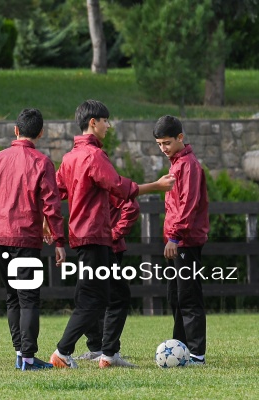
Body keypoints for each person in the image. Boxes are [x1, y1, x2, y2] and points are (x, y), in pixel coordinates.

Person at [50, 99, 175, 369]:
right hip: (95, 238)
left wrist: (45, 223)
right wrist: (156, 185)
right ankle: (62, 353)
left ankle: (107, 355)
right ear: (93, 122)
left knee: (111, 295)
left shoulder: (70, 157)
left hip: (88, 239)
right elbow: (118, 186)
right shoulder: (93, 156)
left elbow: (55, 192)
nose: (109, 125)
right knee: (95, 300)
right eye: (106, 120)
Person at [0, 108, 67, 371]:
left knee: (12, 297)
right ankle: (27, 358)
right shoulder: (42, 162)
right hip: (24, 238)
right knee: (28, 297)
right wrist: (59, 240)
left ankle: (21, 353)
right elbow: (52, 204)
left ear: (15, 130)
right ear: (40, 133)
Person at [153, 115, 209, 366]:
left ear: (180, 138)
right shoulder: (176, 164)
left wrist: (174, 236)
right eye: (159, 145)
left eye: (166, 143)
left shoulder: (188, 165)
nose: (163, 149)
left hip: (185, 241)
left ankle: (197, 353)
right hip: (176, 241)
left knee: (188, 296)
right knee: (175, 296)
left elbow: (188, 205)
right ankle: (181, 347)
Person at [75, 196, 139, 366]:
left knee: (109, 298)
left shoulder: (109, 182)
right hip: (92, 246)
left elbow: (130, 206)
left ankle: (109, 350)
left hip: (110, 249)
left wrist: (113, 234)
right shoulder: (89, 182)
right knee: (86, 297)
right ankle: (97, 348)